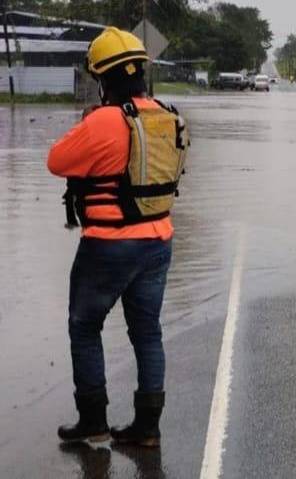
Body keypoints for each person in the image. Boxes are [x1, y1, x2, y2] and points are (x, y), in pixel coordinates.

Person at [49, 27, 189, 447]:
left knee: (84, 326)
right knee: (147, 332)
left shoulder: (106, 120)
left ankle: (93, 420)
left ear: (102, 78)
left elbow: (57, 160)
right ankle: (148, 427)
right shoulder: (169, 115)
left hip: (109, 245)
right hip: (159, 242)